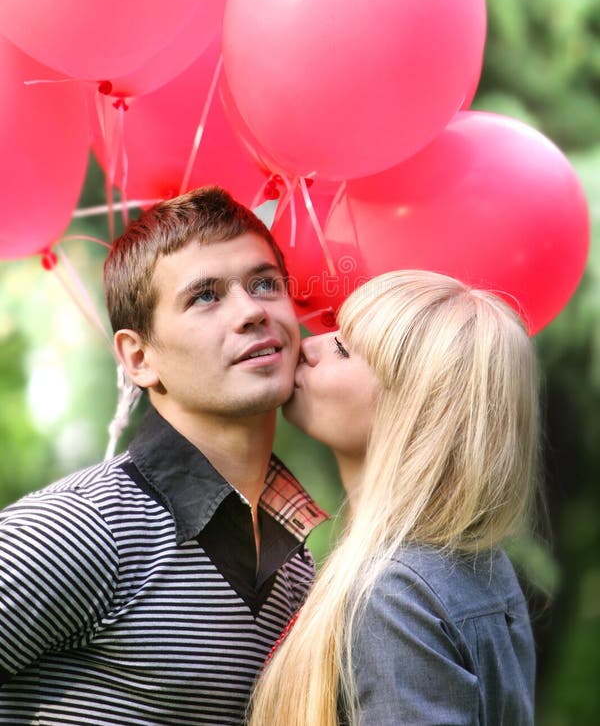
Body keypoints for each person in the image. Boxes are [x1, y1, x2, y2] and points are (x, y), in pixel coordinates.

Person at [0, 186, 326, 726]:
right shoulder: (84, 527)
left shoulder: (296, 568)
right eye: (205, 296)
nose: (251, 312)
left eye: (265, 284)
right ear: (139, 357)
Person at [249, 270, 540, 726]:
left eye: (343, 349)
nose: (307, 345)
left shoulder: (393, 593)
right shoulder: (483, 565)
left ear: (416, 412)